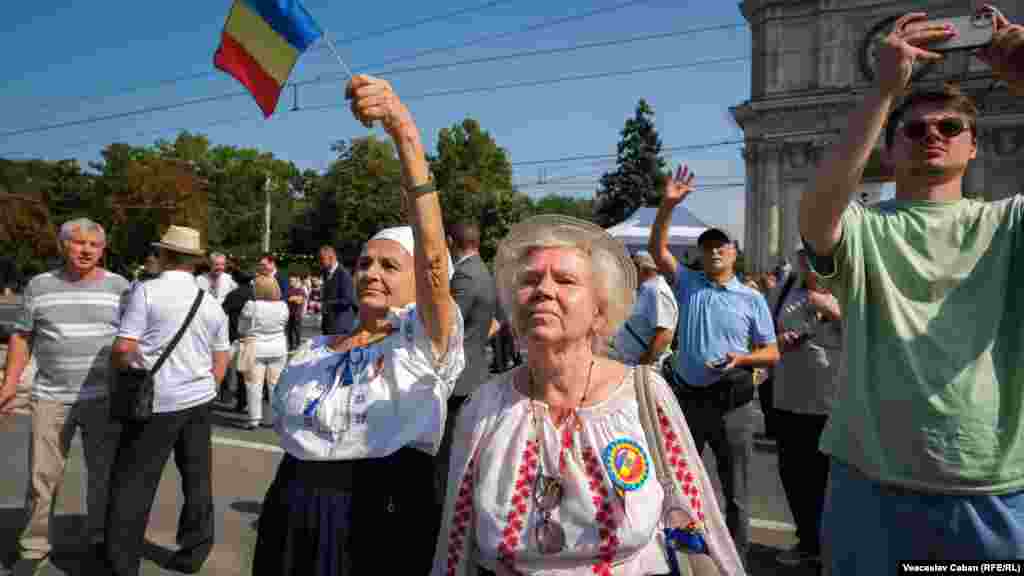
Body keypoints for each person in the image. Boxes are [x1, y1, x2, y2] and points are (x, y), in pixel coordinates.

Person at [798, 7, 1024, 571]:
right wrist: (882, 91)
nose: (933, 136)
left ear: (974, 148)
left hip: (991, 484)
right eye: (915, 129)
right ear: (890, 149)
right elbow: (818, 209)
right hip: (869, 483)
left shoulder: (1009, 220)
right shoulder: (866, 228)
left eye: (951, 128)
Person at [433, 214, 742, 576]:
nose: (543, 290)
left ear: (599, 310)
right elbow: (455, 545)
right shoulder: (485, 407)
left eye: (565, 280)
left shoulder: (643, 395)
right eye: (530, 280)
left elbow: (698, 515)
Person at [252, 75, 464, 576]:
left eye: (390, 266)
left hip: (381, 511)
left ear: (423, 283)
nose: (370, 272)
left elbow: (433, 253)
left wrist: (403, 131)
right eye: (365, 262)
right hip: (295, 506)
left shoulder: (422, 345)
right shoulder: (316, 351)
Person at [650, 166, 780, 566]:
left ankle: (734, 559)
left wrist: (743, 358)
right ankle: (684, 556)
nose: (714, 252)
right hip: (689, 400)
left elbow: (771, 352)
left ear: (734, 253)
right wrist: (668, 205)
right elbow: (658, 251)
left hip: (734, 404)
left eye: (721, 246)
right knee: (680, 483)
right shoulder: (689, 283)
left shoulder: (750, 298)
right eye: (708, 247)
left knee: (736, 489)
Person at [0, 218, 128, 575]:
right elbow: (22, 336)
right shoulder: (40, 286)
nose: (85, 250)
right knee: (42, 476)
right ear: (63, 245)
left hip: (104, 397)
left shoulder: (120, 286)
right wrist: (9, 383)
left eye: (93, 245)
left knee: (104, 475)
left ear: (102, 250)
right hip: (50, 397)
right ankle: (34, 546)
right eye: (78, 243)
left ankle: (100, 540)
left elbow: (134, 336)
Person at [106, 225, 230, 576]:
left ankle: (122, 563)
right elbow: (221, 358)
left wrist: (131, 370)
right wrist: (207, 384)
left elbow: (124, 348)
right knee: (197, 478)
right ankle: (194, 551)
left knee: (134, 482)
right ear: (193, 262)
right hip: (199, 399)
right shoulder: (210, 304)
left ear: (164, 255)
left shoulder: (145, 292)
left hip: (156, 402)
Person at [772, 249, 842, 567]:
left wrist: (836, 311)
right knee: (795, 476)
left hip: (835, 404)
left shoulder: (850, 288)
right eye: (806, 255)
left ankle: (835, 549)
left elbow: (876, 332)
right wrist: (778, 339)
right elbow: (763, 330)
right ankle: (807, 542)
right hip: (788, 399)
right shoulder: (786, 286)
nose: (810, 262)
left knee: (833, 481)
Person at [435, 220, 498, 504]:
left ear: (450, 241)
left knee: (445, 455)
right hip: (473, 371)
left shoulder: (464, 276)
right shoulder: (483, 272)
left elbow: (447, 325)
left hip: (458, 377)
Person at [612, 250, 678, 369]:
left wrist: (643, 365)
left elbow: (664, 335)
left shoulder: (656, 290)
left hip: (646, 370)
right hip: (632, 365)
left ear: (642, 269)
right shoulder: (646, 289)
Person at [239, 275, 289, 430]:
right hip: (278, 348)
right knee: (276, 385)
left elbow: (241, 328)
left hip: (255, 348)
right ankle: (276, 418)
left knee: (254, 385)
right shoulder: (283, 306)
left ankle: (254, 419)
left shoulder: (251, 305)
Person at [221, 269, 255, 411]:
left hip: (236, 334)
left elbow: (222, 311)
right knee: (252, 371)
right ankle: (251, 402)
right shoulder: (256, 294)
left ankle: (239, 400)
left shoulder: (234, 295)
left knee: (238, 369)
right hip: (255, 335)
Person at [317, 245, 356, 337]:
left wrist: (327, 304)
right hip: (328, 323)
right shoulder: (326, 273)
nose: (320, 262)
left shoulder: (344, 275)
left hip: (340, 325)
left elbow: (348, 300)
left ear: (332, 258)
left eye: (322, 259)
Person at [285, 274, 306, 350]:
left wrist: (294, 298)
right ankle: (290, 345)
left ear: (296, 281)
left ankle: (298, 345)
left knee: (297, 330)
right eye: (290, 281)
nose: (290, 282)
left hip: (297, 314)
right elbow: (288, 299)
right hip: (289, 313)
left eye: (292, 281)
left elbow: (299, 301)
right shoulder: (289, 289)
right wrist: (295, 298)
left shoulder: (301, 290)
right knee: (289, 331)